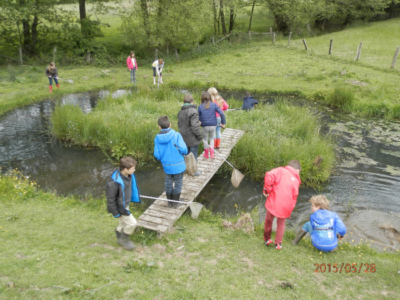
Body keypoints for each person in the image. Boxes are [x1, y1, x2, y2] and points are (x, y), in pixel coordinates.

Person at [263, 160, 301, 250]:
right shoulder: (296, 180)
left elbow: (269, 175)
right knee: (281, 223)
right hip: (286, 205)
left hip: (274, 201)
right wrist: (290, 208)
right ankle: (278, 243)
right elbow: (295, 195)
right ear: (298, 170)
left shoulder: (280, 170)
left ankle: (267, 239)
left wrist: (266, 190)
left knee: (269, 220)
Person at [106, 157, 141, 251]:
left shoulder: (129, 175)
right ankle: (124, 240)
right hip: (121, 207)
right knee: (132, 223)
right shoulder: (114, 182)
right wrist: (116, 213)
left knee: (122, 222)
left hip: (125, 204)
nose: (134, 170)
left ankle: (119, 235)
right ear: (125, 169)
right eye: (133, 168)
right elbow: (111, 199)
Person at [154, 116, 188, 208]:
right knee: (178, 183)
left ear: (159, 127)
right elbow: (184, 150)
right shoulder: (176, 135)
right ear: (170, 125)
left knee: (168, 183)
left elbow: (156, 155)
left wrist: (164, 159)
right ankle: (176, 203)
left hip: (166, 165)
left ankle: (169, 203)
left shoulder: (157, 138)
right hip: (179, 165)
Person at [177, 94, 202, 176]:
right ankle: (193, 171)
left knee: (185, 155)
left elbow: (180, 124)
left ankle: (185, 170)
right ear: (192, 102)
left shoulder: (180, 112)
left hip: (183, 137)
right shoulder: (194, 111)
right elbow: (194, 126)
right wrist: (199, 136)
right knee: (193, 155)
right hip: (192, 138)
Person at [198, 91, 226, 159]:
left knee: (205, 139)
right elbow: (222, 113)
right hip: (213, 125)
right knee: (211, 139)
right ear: (210, 97)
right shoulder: (214, 105)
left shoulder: (200, 106)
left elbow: (197, 116)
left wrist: (199, 121)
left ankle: (206, 154)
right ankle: (212, 154)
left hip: (204, 126)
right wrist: (223, 123)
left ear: (202, 98)